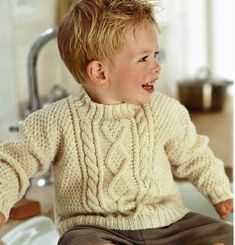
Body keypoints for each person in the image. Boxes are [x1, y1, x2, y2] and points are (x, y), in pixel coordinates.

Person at [0, 0, 233, 244]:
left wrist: (219, 190)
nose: (156, 67)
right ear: (100, 73)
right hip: (97, 230)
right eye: (144, 58)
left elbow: (194, 155)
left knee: (227, 234)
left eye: (155, 54)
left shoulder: (165, 111)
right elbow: (14, 162)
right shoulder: (56, 121)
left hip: (169, 225)